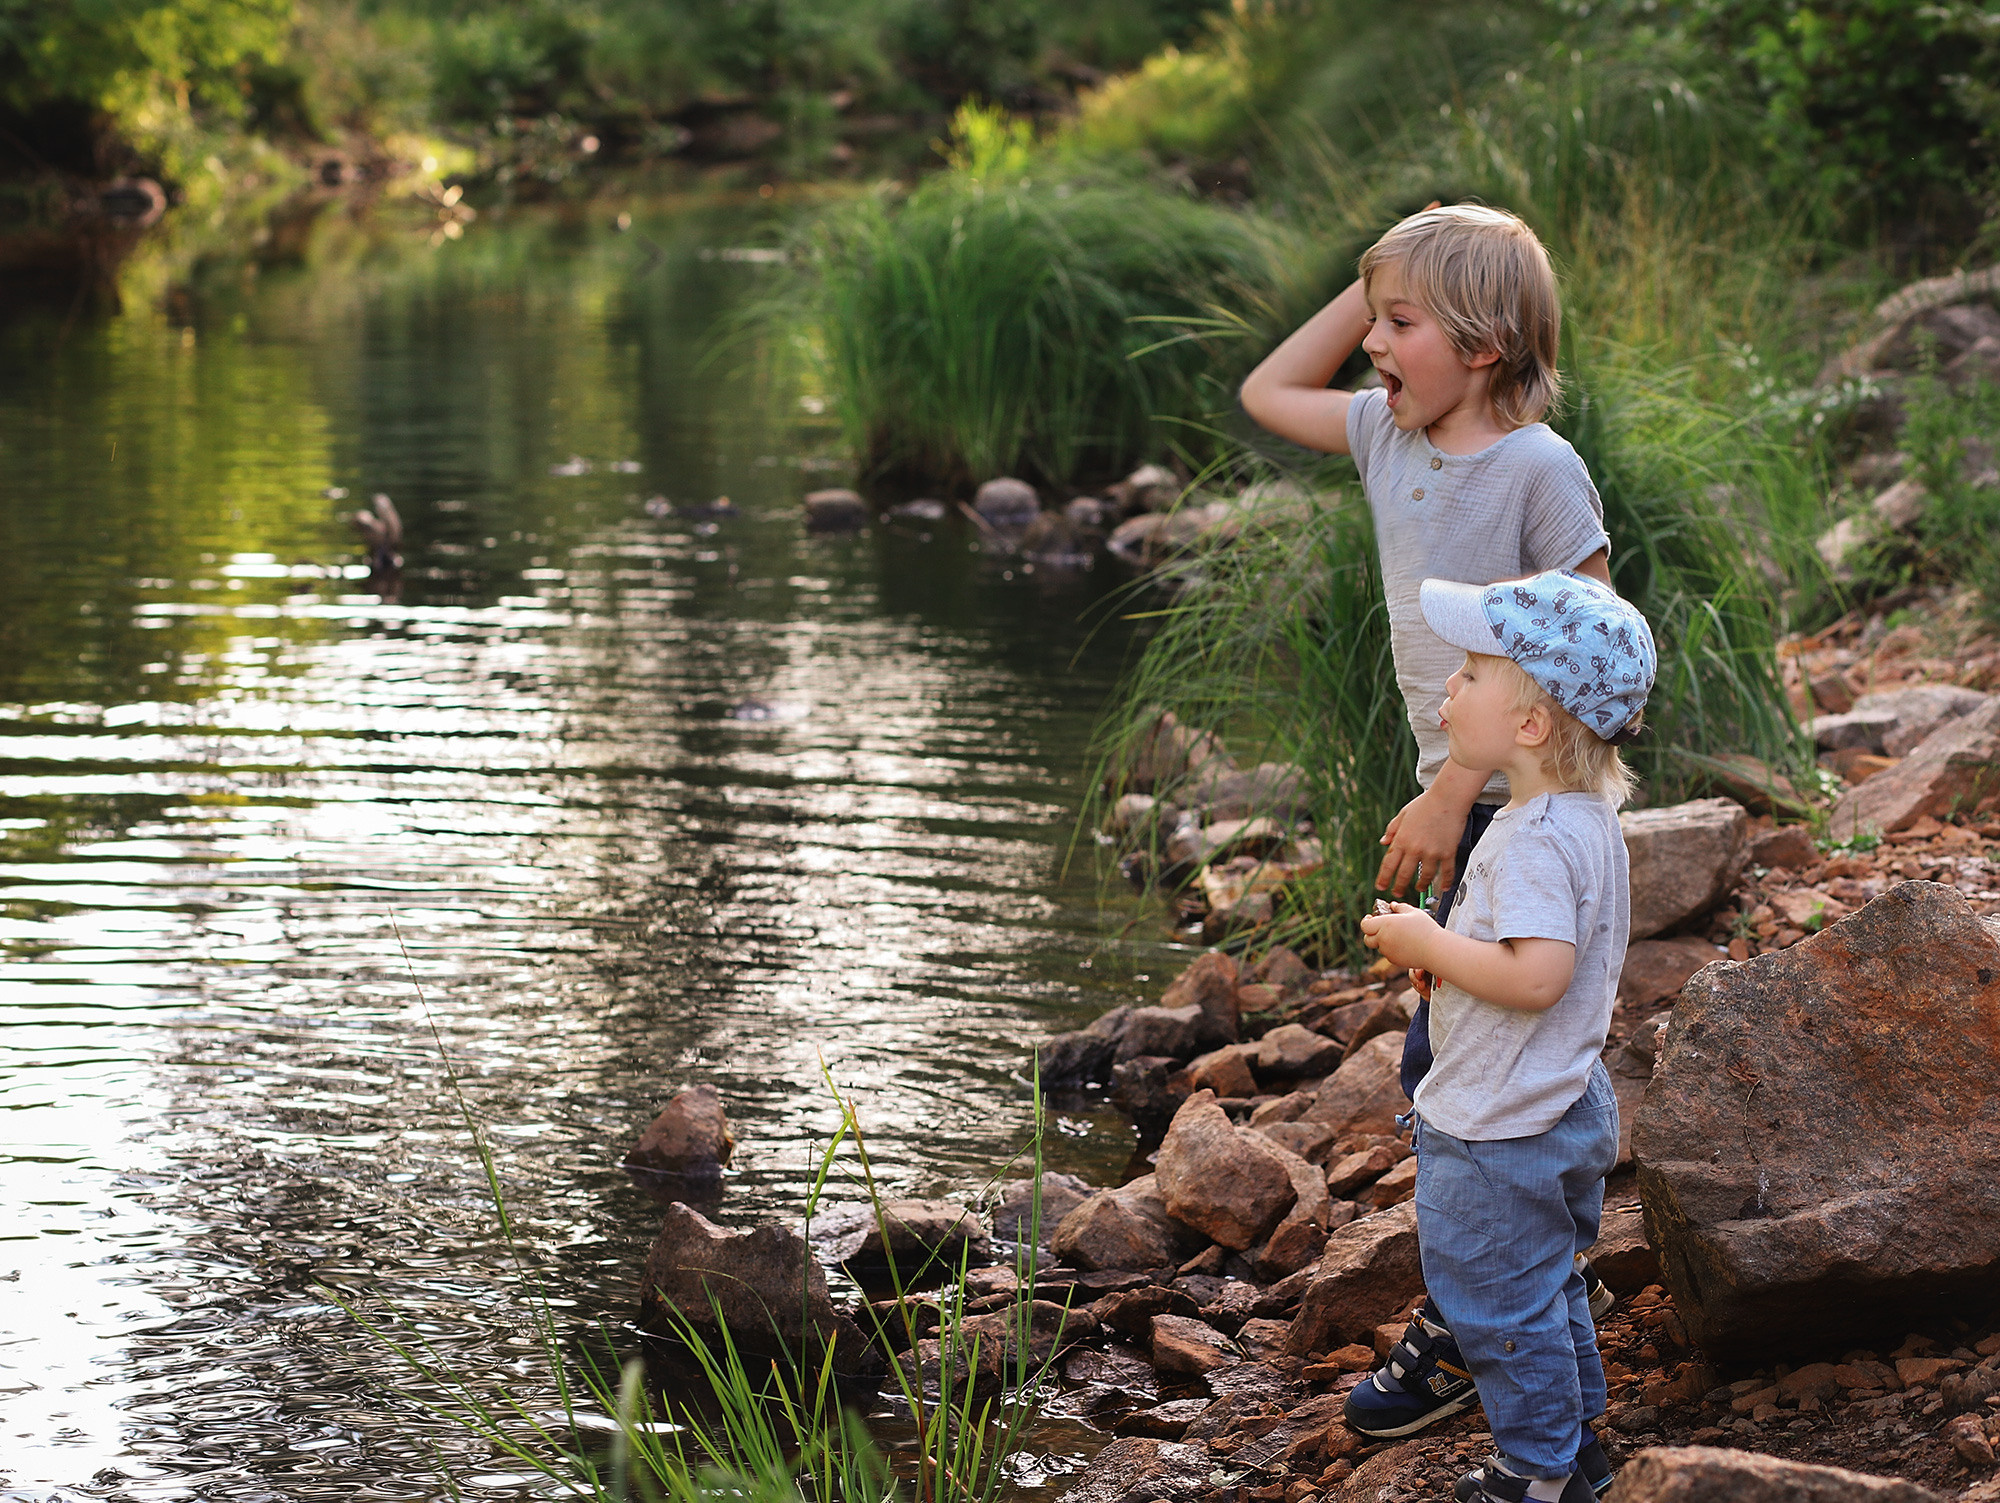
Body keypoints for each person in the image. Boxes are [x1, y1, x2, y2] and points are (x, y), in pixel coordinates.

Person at [1238, 202, 1620, 1452]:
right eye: (1373, 323)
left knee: (1472, 1059)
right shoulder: (1379, 433)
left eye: (1400, 326)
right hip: (1456, 786)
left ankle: (1483, 1313)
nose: (1371, 349)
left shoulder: (1535, 468)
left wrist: (1459, 788)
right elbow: (1263, 388)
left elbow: (1588, 649)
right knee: (1459, 1049)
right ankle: (1510, 1293)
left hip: (1528, 802)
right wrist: (1379, 282)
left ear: (1488, 345)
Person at [1358, 569, 1655, 1503]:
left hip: (1501, 1126)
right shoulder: (1581, 817)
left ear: (1531, 724)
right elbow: (1535, 957)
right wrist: (1452, 964)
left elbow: (1537, 976)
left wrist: (1429, 937)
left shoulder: (1528, 837)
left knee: (1498, 1306)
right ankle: (1576, 1446)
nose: (1449, 686)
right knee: (1547, 1285)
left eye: (1472, 673)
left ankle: (1537, 1474)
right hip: (1560, 1098)